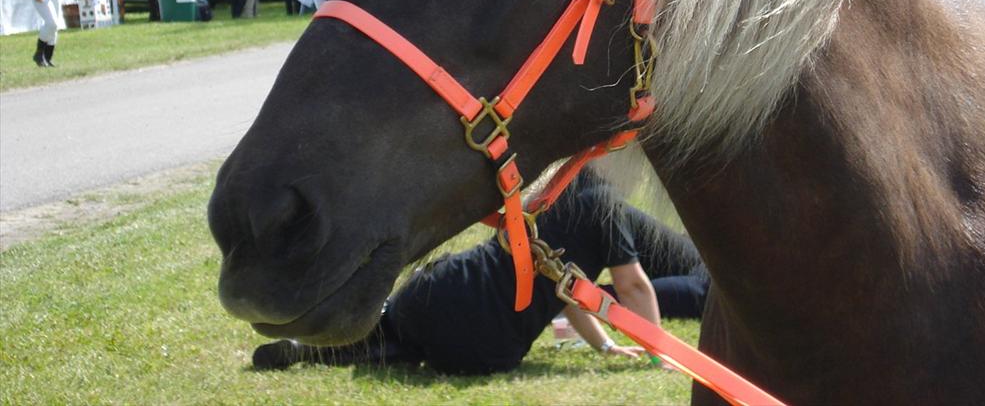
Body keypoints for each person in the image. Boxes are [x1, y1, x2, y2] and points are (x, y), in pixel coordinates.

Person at [252, 171, 702, 375]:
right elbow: (631, 286)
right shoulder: (607, 209)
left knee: (404, 325)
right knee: (424, 345)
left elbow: (568, 288)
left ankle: (317, 348)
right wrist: (656, 355)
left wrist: (604, 344)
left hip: (436, 296)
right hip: (488, 351)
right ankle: (380, 350)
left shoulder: (549, 193)